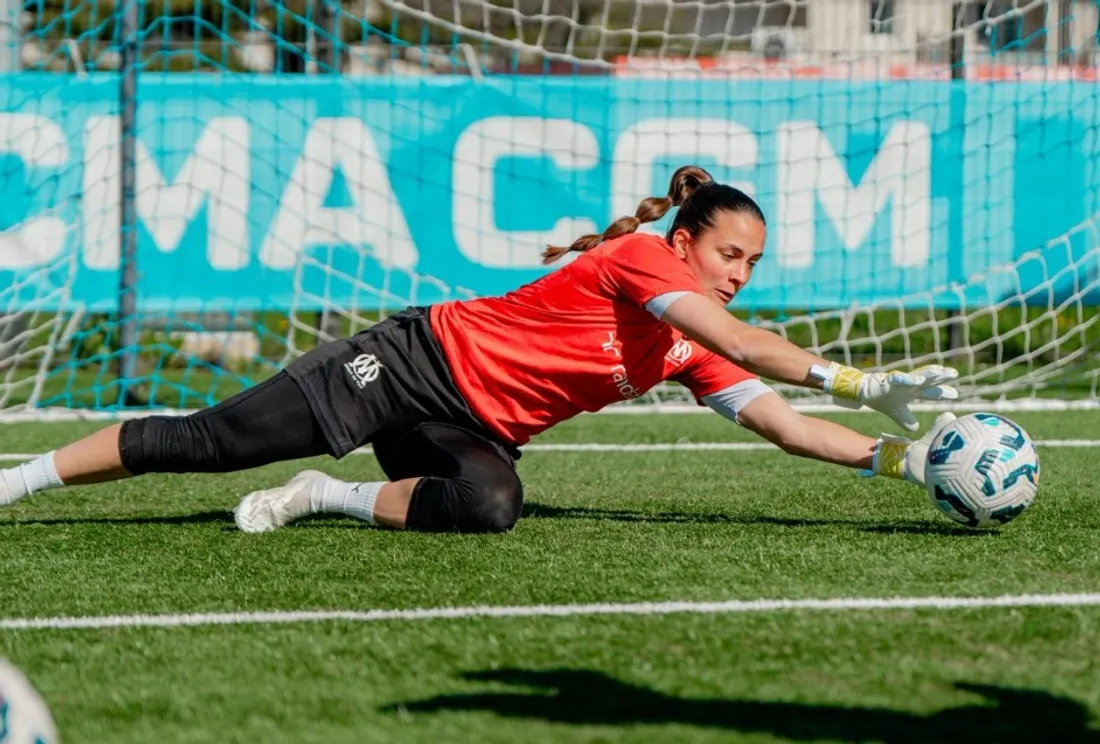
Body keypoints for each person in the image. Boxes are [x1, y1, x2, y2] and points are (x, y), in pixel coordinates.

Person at [0, 165, 960, 534]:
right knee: (208, 442)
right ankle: (19, 479)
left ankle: (323, 496)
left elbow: (788, 428)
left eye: (753, 262)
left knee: (491, 504)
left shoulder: (686, 350)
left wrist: (905, 460)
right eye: (728, 255)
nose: (740, 274)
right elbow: (747, 341)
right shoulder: (636, 259)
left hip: (468, 426)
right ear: (682, 244)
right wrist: (862, 379)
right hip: (409, 366)